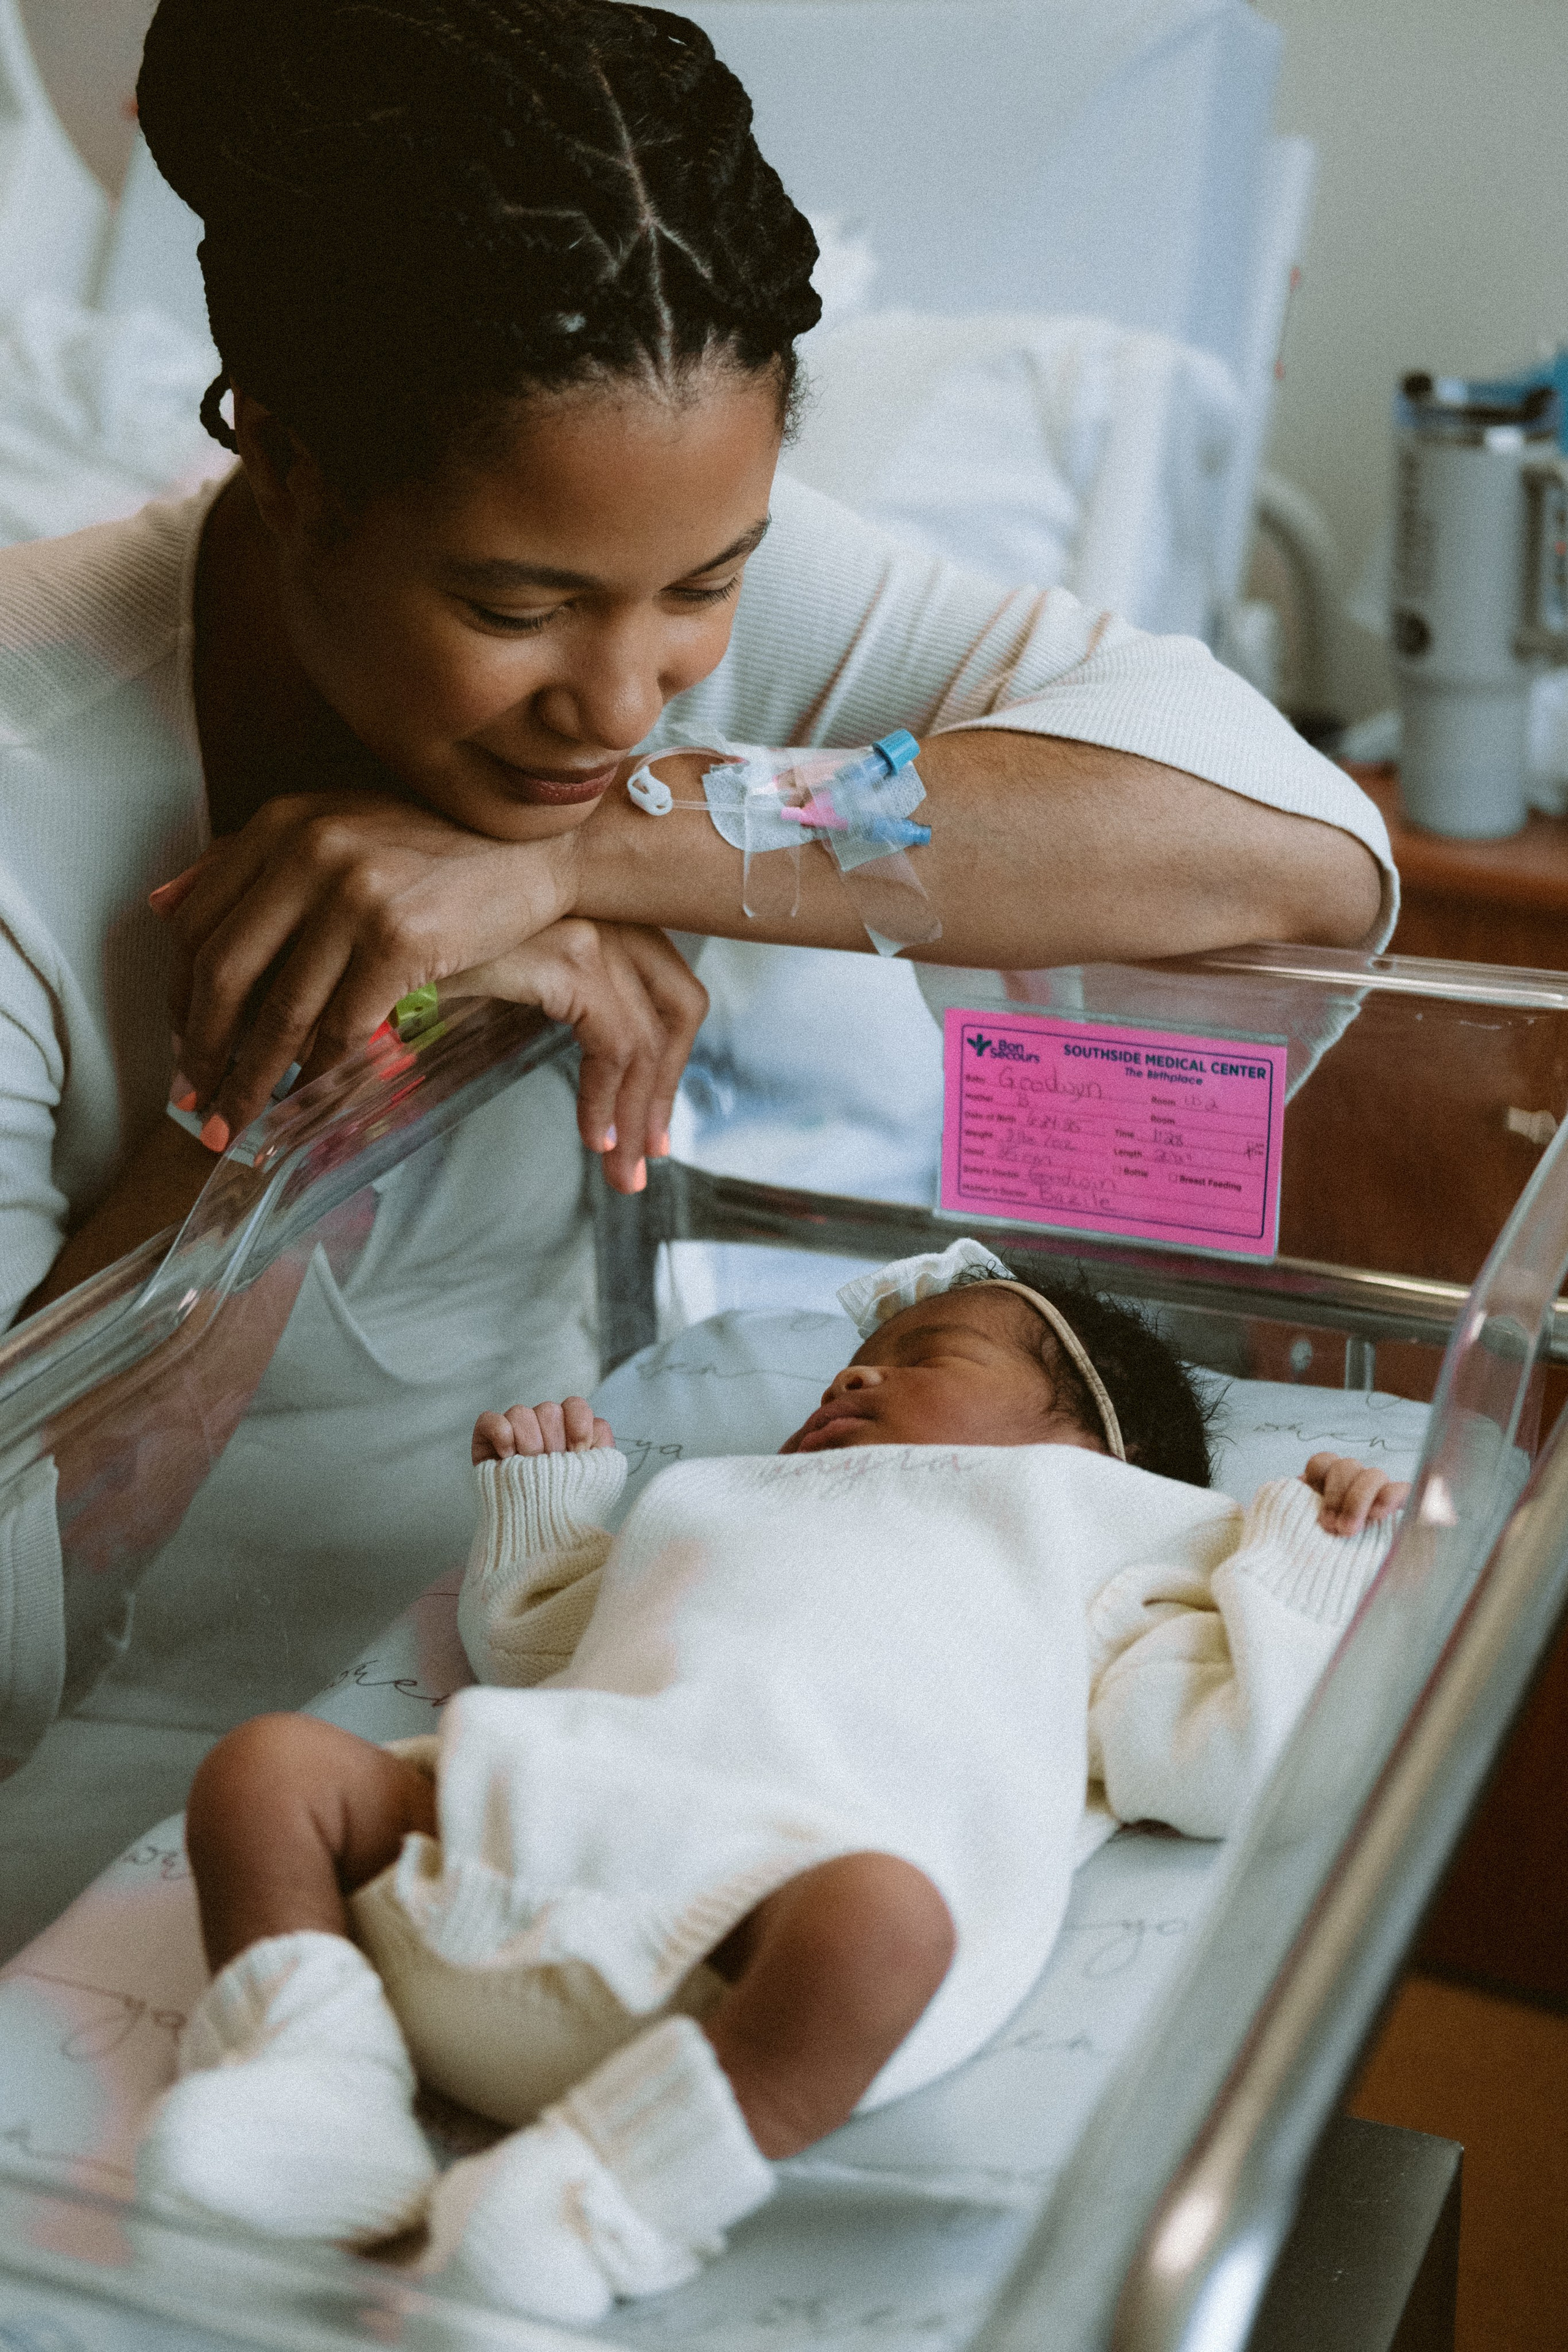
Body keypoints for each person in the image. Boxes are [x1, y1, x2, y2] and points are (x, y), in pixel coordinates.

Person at [0, 0, 1396, 1353]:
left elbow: (1293, 853)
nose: (621, 706)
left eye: (706, 586)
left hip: (567, 1531)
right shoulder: (30, 787)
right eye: (514, 608)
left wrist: (595, 855)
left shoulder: (698, 590)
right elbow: (42, 1546)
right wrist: (340, 1045)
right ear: (285, 462)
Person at [135, 1240, 1409, 2325]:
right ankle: (317, 2079)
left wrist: (1296, 1573)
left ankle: (596, 2202)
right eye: (859, 1359)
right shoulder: (720, 1490)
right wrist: (546, 1513)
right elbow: (546, 1650)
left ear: (1089, 1438)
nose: (860, 1371)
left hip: (754, 1938)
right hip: (514, 1842)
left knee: (886, 1924)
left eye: (932, 1358)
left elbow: (1222, 1762)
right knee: (268, 1770)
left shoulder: (1108, 1530)